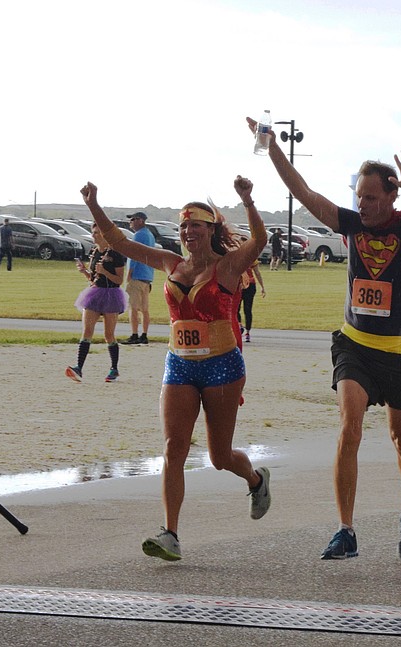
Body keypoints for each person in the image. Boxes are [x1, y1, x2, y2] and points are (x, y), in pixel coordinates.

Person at [248, 116, 401, 563]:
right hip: (355, 347)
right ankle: (345, 530)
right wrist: (272, 148)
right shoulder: (352, 225)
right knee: (349, 429)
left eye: (371, 197)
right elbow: (305, 194)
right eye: (359, 196)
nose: (363, 204)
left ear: (391, 195)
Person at [80, 175, 271, 562]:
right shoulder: (171, 263)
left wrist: (248, 202)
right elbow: (119, 242)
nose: (187, 232)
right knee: (173, 448)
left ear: (210, 230)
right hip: (179, 365)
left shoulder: (229, 265)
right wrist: (93, 205)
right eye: (183, 226)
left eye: (195, 225)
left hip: (222, 367)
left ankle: (255, 479)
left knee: (219, 457)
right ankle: (170, 533)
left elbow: (260, 241)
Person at [66, 223, 128, 383]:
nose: (93, 236)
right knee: (87, 332)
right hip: (94, 293)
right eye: (93, 233)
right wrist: (85, 272)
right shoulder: (94, 253)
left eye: (96, 233)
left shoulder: (116, 254)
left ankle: (114, 368)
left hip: (111, 294)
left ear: (104, 235)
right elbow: (94, 279)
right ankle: (79, 367)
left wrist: (105, 271)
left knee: (109, 334)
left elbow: (119, 280)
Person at [120, 212, 156, 345]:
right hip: (147, 276)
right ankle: (144, 334)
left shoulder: (139, 235)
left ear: (141, 220)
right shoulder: (150, 235)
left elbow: (135, 254)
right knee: (144, 309)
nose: (131, 222)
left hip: (137, 275)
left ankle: (134, 334)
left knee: (133, 307)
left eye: (133, 219)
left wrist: (129, 273)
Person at [237, 253, 266, 344]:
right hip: (246, 284)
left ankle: (243, 328)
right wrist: (262, 286)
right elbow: (257, 272)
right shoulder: (250, 257)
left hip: (242, 285)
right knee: (246, 309)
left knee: (239, 309)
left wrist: (262, 286)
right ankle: (245, 331)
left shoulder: (236, 257)